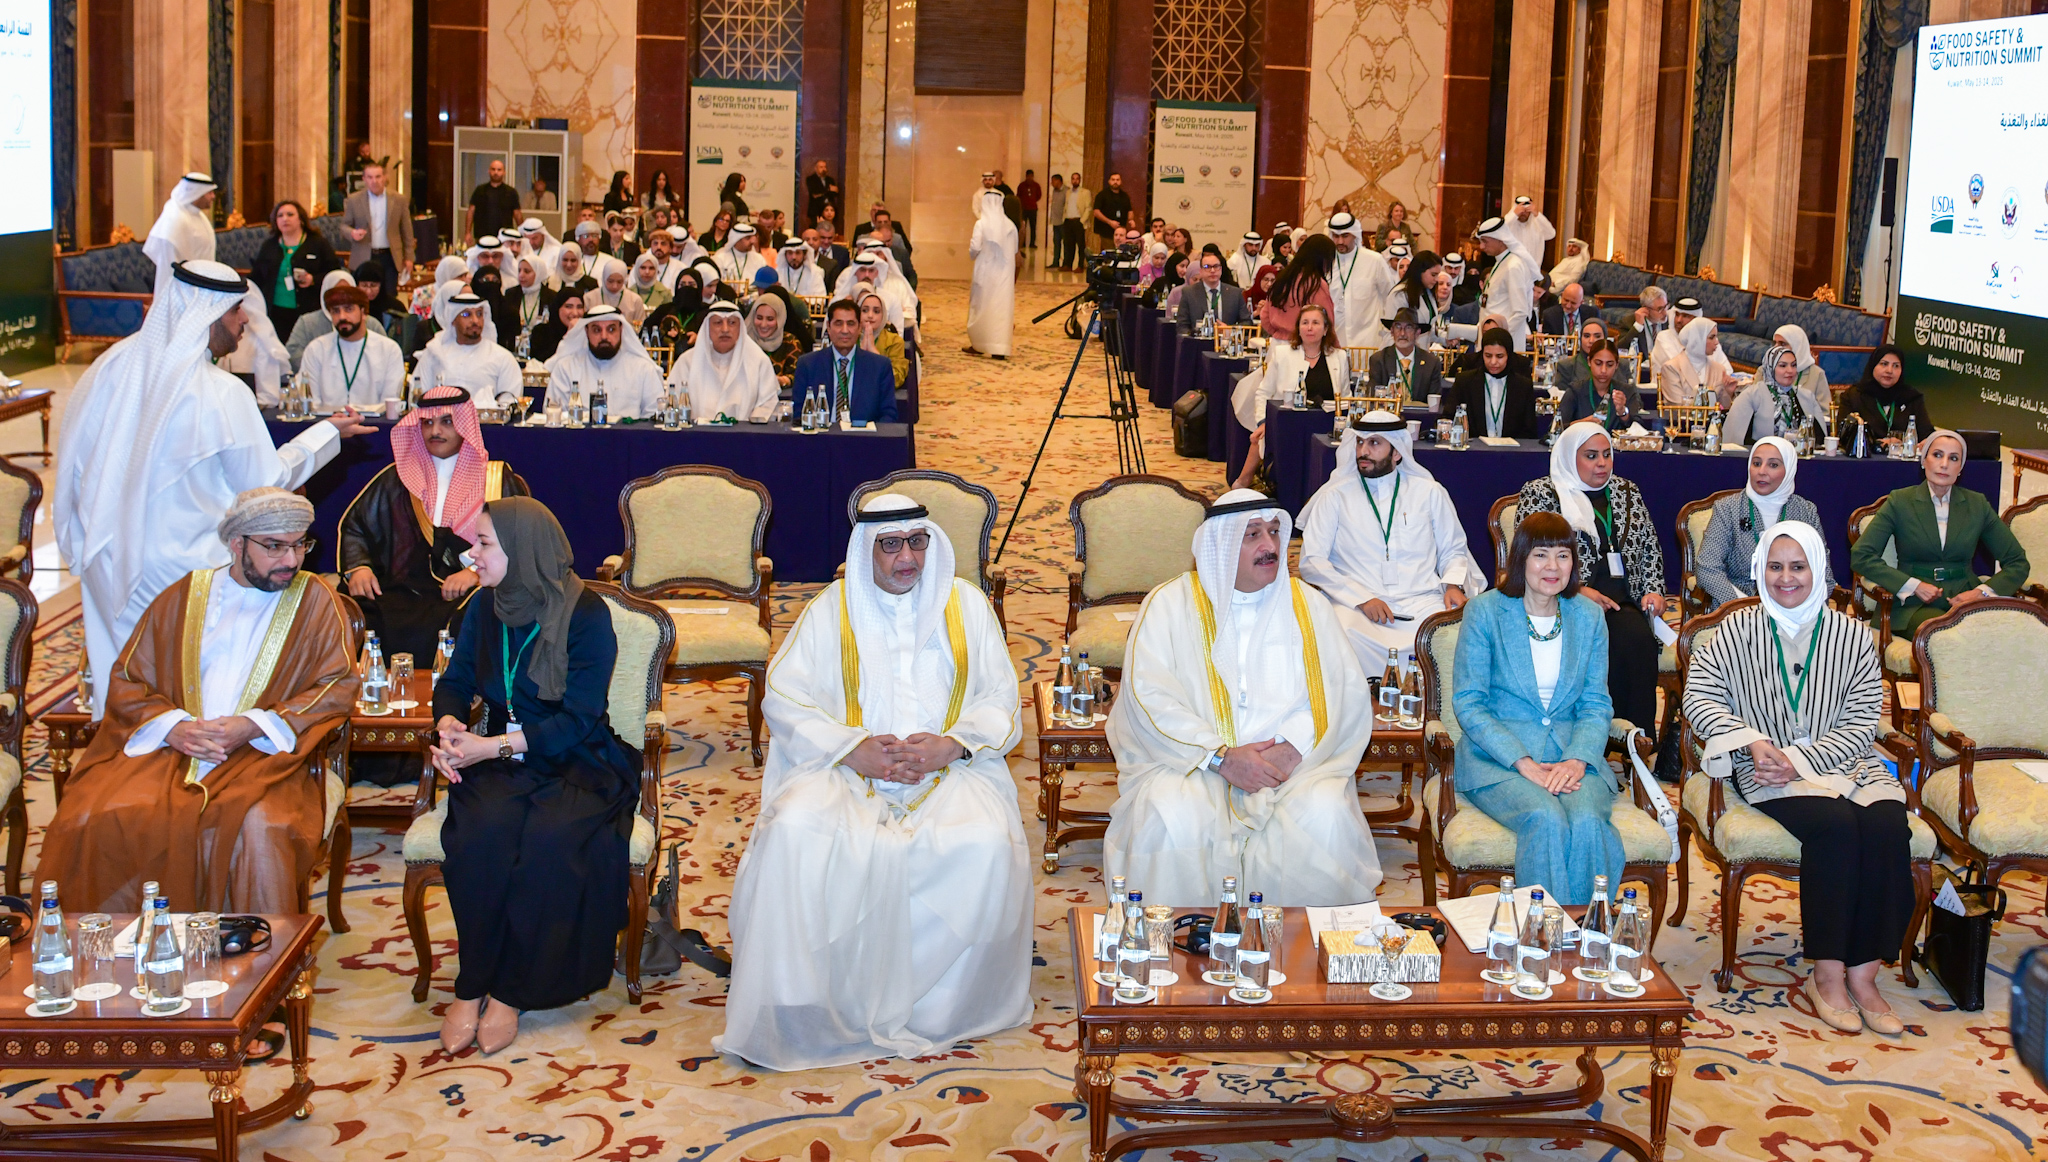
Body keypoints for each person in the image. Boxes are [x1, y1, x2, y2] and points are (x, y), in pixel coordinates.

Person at [717, 494, 1029, 1069]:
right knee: (796, 833)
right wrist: (851, 749)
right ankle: (811, 1001)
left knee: (981, 843)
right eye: (890, 545)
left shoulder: (967, 606)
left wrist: (952, 744)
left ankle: (939, 1010)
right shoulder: (830, 611)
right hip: (847, 773)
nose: (906, 557)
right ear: (868, 551)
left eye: (917, 542)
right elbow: (784, 699)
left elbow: (1001, 699)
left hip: (947, 773)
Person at [56, 262, 370, 711]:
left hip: (108, 562)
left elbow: (72, 463)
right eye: (236, 309)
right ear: (207, 314)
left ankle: (129, 774)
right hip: (188, 575)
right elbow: (264, 485)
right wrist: (328, 434)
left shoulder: (110, 367)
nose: (245, 320)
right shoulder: (220, 392)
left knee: (125, 691)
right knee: (193, 698)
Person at [38, 488, 358, 911]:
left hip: (266, 758)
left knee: (261, 829)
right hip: (171, 751)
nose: (292, 560)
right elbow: (129, 678)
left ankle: (262, 963)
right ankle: (117, 957)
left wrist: (253, 725)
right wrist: (175, 729)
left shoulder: (315, 599)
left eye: (300, 544)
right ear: (236, 543)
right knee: (92, 817)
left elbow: (337, 683)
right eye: (275, 547)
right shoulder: (187, 595)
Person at [428, 497, 642, 1055]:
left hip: (577, 757)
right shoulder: (483, 607)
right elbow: (452, 683)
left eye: (485, 544)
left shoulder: (586, 614)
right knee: (479, 838)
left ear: (524, 550)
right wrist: (450, 728)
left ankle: (512, 989)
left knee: (550, 843)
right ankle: (473, 982)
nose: (471, 553)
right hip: (499, 753)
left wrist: (488, 747)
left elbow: (578, 719)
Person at [1683, 522, 1915, 1035]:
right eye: (1775, 566)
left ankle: (1866, 972)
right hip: (1766, 768)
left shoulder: (1852, 634)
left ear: (1818, 569)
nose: (1786, 578)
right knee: (1834, 827)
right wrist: (1750, 740)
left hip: (1846, 764)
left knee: (1886, 827)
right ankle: (1828, 975)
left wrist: (1804, 758)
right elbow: (1697, 699)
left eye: (1798, 566)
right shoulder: (1734, 631)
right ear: (1760, 571)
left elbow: (1861, 720)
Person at [1103, 490, 1379, 906]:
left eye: (1273, 532)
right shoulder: (1168, 605)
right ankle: (1180, 954)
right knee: (1171, 819)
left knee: (1327, 819)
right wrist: (1220, 757)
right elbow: (1149, 697)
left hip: (1291, 769)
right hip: (1194, 765)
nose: (1269, 546)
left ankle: (1301, 960)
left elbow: (1341, 691)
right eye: (1252, 535)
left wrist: (1290, 749)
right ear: (1220, 545)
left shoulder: (1309, 605)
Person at [1449, 511, 1623, 905]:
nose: (1553, 567)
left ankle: (1587, 935)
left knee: (1587, 820)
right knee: (1544, 818)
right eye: (1541, 555)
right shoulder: (1486, 612)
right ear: (1521, 558)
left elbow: (1596, 703)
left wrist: (1578, 759)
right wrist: (1522, 761)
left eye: (1563, 556)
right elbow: (1470, 703)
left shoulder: (1589, 616)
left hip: (1570, 756)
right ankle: (1542, 936)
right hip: (1499, 762)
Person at [339, 384, 526, 659]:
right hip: (401, 589)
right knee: (353, 604)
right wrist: (359, 568)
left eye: (446, 422)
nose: (435, 431)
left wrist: (475, 573)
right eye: (427, 423)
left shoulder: (497, 480)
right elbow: (357, 526)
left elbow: (519, 539)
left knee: (475, 611)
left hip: (465, 589)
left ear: (464, 424)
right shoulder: (397, 477)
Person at [1298, 412, 1485, 669]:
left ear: (1397, 452)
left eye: (1374, 443)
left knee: (1453, 632)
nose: (1364, 451)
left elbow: (1453, 549)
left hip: (1423, 601)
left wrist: (1452, 585)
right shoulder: (1334, 497)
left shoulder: (1430, 493)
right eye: (1360, 442)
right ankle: (1365, 705)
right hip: (1359, 607)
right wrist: (1361, 598)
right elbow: (1312, 561)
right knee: (1340, 632)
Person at [1515, 421, 1666, 730]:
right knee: (1598, 641)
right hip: (1563, 600)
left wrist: (1654, 589)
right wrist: (1576, 590)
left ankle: (1633, 740)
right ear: (1571, 457)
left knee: (1638, 641)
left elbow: (1650, 545)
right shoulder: (1542, 492)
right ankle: (1591, 736)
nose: (1602, 464)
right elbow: (1530, 555)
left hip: (1621, 598)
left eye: (1607, 455)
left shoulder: (1626, 491)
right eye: (1591, 456)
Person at [1851, 429, 2030, 634]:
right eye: (1937, 455)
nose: (1944, 464)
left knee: (1998, 634)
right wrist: (1912, 585)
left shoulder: (1976, 504)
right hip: (1913, 605)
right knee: (1951, 633)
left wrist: (1981, 593)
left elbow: (2018, 563)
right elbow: (1861, 556)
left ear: (1960, 468)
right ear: (1924, 460)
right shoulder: (1899, 501)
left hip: (1964, 600)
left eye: (1953, 458)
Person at [1695, 437, 1830, 609]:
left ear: (1789, 470)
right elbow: (1707, 568)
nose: (1762, 471)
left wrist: (1800, 609)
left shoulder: (1805, 511)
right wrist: (1743, 607)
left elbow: (1824, 574)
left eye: (1773, 465)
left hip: (1794, 605)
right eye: (1756, 463)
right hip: (1736, 607)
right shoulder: (1728, 508)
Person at [541, 305, 664, 418]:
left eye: (611, 330)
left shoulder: (642, 368)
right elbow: (553, 414)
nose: (604, 336)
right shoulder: (566, 368)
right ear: (586, 332)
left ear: (621, 330)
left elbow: (654, 416)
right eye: (596, 330)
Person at [666, 302, 779, 421]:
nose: (725, 329)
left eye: (732, 323)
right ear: (707, 327)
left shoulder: (758, 361)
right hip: (697, 436)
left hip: (743, 437)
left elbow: (767, 404)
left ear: (740, 327)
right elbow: (673, 404)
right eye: (718, 323)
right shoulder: (687, 361)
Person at [792, 298, 897, 422]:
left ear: (859, 328)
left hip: (864, 437)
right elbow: (799, 413)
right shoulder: (808, 364)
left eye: (851, 324)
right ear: (828, 327)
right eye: (838, 323)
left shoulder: (879, 366)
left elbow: (889, 414)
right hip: (820, 438)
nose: (845, 330)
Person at [412, 290, 525, 406]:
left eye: (479, 314)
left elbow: (510, 403)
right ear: (453, 320)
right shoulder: (434, 353)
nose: (475, 321)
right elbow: (419, 400)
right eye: (466, 314)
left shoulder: (502, 358)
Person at [300, 284, 404, 408]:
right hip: (327, 424)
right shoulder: (316, 349)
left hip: (374, 425)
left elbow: (390, 404)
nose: (342, 316)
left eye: (348, 309)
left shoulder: (389, 350)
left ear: (364, 313)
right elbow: (310, 403)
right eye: (335, 311)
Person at [251, 200, 341, 341]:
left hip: (307, 310)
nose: (285, 219)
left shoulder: (317, 243)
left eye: (290, 214)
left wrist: (313, 280)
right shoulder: (269, 246)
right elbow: (257, 276)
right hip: (275, 312)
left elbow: (335, 273)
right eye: (280, 215)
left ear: (301, 219)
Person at [1441, 326, 1541, 439]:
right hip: (1474, 450)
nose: (1493, 362)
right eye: (1488, 356)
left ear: (1509, 355)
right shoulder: (1465, 381)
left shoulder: (1522, 385)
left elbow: (1529, 430)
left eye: (1500, 356)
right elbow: (1447, 417)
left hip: (1510, 451)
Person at [1837, 344, 1935, 453]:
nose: (1889, 370)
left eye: (1896, 366)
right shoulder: (1853, 396)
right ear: (1873, 366)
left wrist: (1920, 442)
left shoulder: (1912, 398)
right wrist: (1877, 443)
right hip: (1865, 460)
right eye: (1884, 364)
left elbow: (1926, 434)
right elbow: (1844, 436)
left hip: (1902, 461)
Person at [285, 270, 392, 368]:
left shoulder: (371, 324)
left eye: (346, 292)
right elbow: (293, 353)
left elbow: (384, 356)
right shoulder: (307, 322)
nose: (341, 297)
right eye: (335, 291)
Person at [1725, 344, 1827, 445]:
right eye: (1783, 366)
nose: (1790, 371)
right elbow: (1736, 439)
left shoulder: (1806, 396)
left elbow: (1820, 439)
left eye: (1793, 365)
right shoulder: (1752, 395)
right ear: (1770, 368)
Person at [341, 161, 415, 292]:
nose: (374, 181)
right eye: (370, 177)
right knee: (363, 297)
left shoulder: (399, 200)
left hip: (389, 256)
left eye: (378, 177)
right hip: (364, 255)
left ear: (385, 177)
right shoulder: (354, 200)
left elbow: (407, 231)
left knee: (389, 296)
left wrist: (409, 257)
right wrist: (352, 233)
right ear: (364, 179)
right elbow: (344, 226)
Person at [1327, 212, 1398, 348]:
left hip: (1368, 340)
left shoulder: (1374, 260)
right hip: (1333, 341)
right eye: (1336, 236)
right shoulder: (1327, 261)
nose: (1340, 241)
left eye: (1345, 236)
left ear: (1355, 235)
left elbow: (1390, 298)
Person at [964, 189, 1019, 359]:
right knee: (1001, 309)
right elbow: (1015, 249)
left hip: (985, 273)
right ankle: (999, 348)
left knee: (981, 307)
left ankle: (979, 344)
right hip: (1005, 275)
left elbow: (974, 248)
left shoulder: (981, 224)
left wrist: (974, 256)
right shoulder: (1010, 225)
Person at [144, 173, 219, 297]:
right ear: (197, 193)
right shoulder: (174, 219)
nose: (213, 197)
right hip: (183, 291)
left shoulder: (198, 215)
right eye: (209, 193)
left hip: (202, 286)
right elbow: (170, 268)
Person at [1471, 215, 1536, 351]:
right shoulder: (1501, 263)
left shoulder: (1513, 266)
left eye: (1485, 241)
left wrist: (1498, 338)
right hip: (1491, 344)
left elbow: (1520, 312)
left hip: (1502, 348)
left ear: (1501, 240)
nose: (1482, 246)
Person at [1258, 235, 1338, 342]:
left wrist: (1279, 334)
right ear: (1324, 260)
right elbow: (1326, 322)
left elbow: (1265, 316)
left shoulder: (1282, 278)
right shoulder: (1316, 284)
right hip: (1305, 347)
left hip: (1278, 346)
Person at [1555, 340, 1648, 430]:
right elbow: (1555, 428)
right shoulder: (1575, 391)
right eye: (1598, 363)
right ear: (1589, 362)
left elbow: (1638, 429)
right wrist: (1581, 424)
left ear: (1616, 365)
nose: (1603, 370)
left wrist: (1623, 412)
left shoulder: (1626, 391)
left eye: (1610, 364)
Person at [1366, 309, 1446, 407]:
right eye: (1398, 327)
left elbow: (1435, 403)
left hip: (1420, 418)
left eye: (1408, 328)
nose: (1402, 333)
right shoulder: (1379, 360)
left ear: (1417, 333)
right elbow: (1372, 398)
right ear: (1392, 332)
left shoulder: (1431, 362)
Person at [1657, 316, 1734, 408]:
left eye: (1716, 337)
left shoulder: (1719, 369)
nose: (1717, 342)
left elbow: (1722, 410)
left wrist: (1728, 392)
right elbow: (1677, 406)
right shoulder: (1672, 367)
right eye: (1712, 337)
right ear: (1696, 339)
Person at [1176, 251, 1253, 336]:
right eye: (1207, 267)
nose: (1212, 270)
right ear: (1201, 271)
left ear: (1221, 269)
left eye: (1216, 266)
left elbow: (1247, 323)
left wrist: (1230, 330)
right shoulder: (1189, 293)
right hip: (1198, 343)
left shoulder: (1235, 293)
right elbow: (1181, 326)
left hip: (1226, 342)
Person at [746, 294, 806, 388]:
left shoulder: (790, 342)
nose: (763, 324)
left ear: (780, 319)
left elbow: (798, 375)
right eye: (759, 318)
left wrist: (782, 381)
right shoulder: (744, 341)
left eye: (770, 319)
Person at [855, 290, 910, 389]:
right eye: (865, 310)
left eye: (876, 311)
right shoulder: (849, 338)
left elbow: (896, 380)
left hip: (881, 396)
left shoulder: (894, 341)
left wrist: (874, 354)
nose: (870, 315)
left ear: (883, 316)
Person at [467, 159, 522, 245]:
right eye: (493, 169)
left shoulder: (511, 192)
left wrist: (521, 233)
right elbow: (471, 211)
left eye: (499, 170)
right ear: (489, 171)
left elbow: (517, 214)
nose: (496, 172)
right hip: (482, 236)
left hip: (504, 237)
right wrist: (467, 232)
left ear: (504, 172)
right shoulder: (480, 190)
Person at [583, 256, 648, 326]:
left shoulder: (635, 300)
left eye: (619, 282)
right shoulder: (589, 298)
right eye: (610, 281)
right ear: (604, 277)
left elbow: (640, 327)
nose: (615, 286)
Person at [713, 222, 769, 287]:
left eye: (752, 237)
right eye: (748, 238)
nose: (752, 241)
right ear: (736, 240)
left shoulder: (759, 258)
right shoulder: (720, 258)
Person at [1091, 172, 1133, 243]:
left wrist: (1131, 219)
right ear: (1109, 181)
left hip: (1121, 231)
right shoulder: (1102, 195)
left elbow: (1130, 210)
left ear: (1121, 182)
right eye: (1113, 180)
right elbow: (1096, 212)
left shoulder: (1125, 196)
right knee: (1109, 250)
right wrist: (1109, 222)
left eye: (1117, 180)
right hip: (1106, 230)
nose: (1115, 182)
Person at [1060, 173, 1089, 270]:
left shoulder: (1085, 192)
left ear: (1079, 180)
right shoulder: (1068, 192)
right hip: (1068, 220)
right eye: (1073, 179)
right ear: (1071, 180)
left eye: (1077, 179)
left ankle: (1080, 265)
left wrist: (1082, 221)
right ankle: (1068, 264)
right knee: (1068, 244)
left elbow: (1088, 208)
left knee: (1080, 245)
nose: (1075, 181)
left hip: (1078, 221)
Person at [805, 159, 839, 226]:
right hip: (816, 210)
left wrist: (831, 191)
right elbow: (815, 193)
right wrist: (829, 189)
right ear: (816, 168)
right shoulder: (811, 179)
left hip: (829, 208)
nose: (824, 169)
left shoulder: (830, 179)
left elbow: (835, 193)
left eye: (825, 167)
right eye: (821, 167)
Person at [1015, 169, 1041, 248]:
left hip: (1033, 209)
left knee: (1033, 227)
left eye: (1031, 176)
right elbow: (1018, 196)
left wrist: (1032, 201)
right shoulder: (1021, 185)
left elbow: (1039, 196)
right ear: (1026, 176)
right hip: (1024, 209)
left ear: (1033, 176)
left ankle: (1032, 243)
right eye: (1028, 176)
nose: (1030, 178)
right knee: (1023, 227)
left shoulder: (1036, 185)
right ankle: (1022, 243)